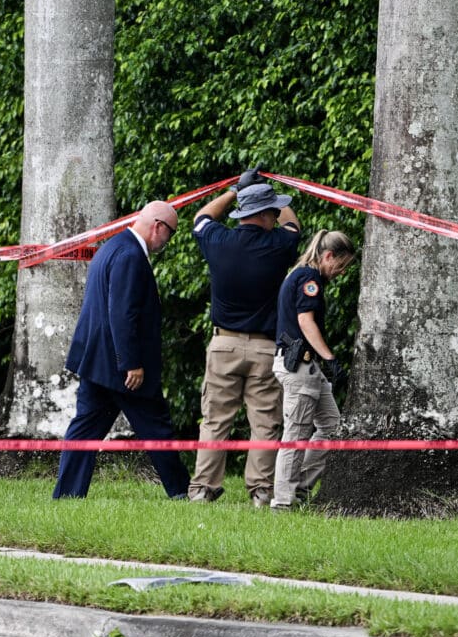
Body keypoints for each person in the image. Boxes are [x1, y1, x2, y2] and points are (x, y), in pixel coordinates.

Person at [53, 201, 191, 499]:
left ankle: (67, 495)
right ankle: (181, 491)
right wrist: (131, 362)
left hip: (97, 362)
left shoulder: (112, 246)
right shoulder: (130, 255)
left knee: (85, 430)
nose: (168, 241)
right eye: (171, 233)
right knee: (156, 425)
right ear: (158, 226)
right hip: (121, 367)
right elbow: (122, 313)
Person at [187, 172, 301, 506]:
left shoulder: (218, 240)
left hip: (224, 345)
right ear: (267, 214)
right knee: (265, 422)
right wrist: (277, 195)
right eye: (273, 211)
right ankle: (261, 492)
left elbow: (201, 217)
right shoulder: (279, 244)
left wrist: (235, 190)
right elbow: (294, 226)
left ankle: (202, 490)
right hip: (266, 348)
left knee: (215, 420)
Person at [271, 230, 356, 511]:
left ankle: (301, 489)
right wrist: (330, 358)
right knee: (295, 434)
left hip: (308, 367)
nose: (341, 273)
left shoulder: (301, 275)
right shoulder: (310, 278)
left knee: (331, 427)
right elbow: (306, 322)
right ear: (328, 256)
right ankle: (283, 501)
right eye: (340, 265)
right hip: (299, 367)